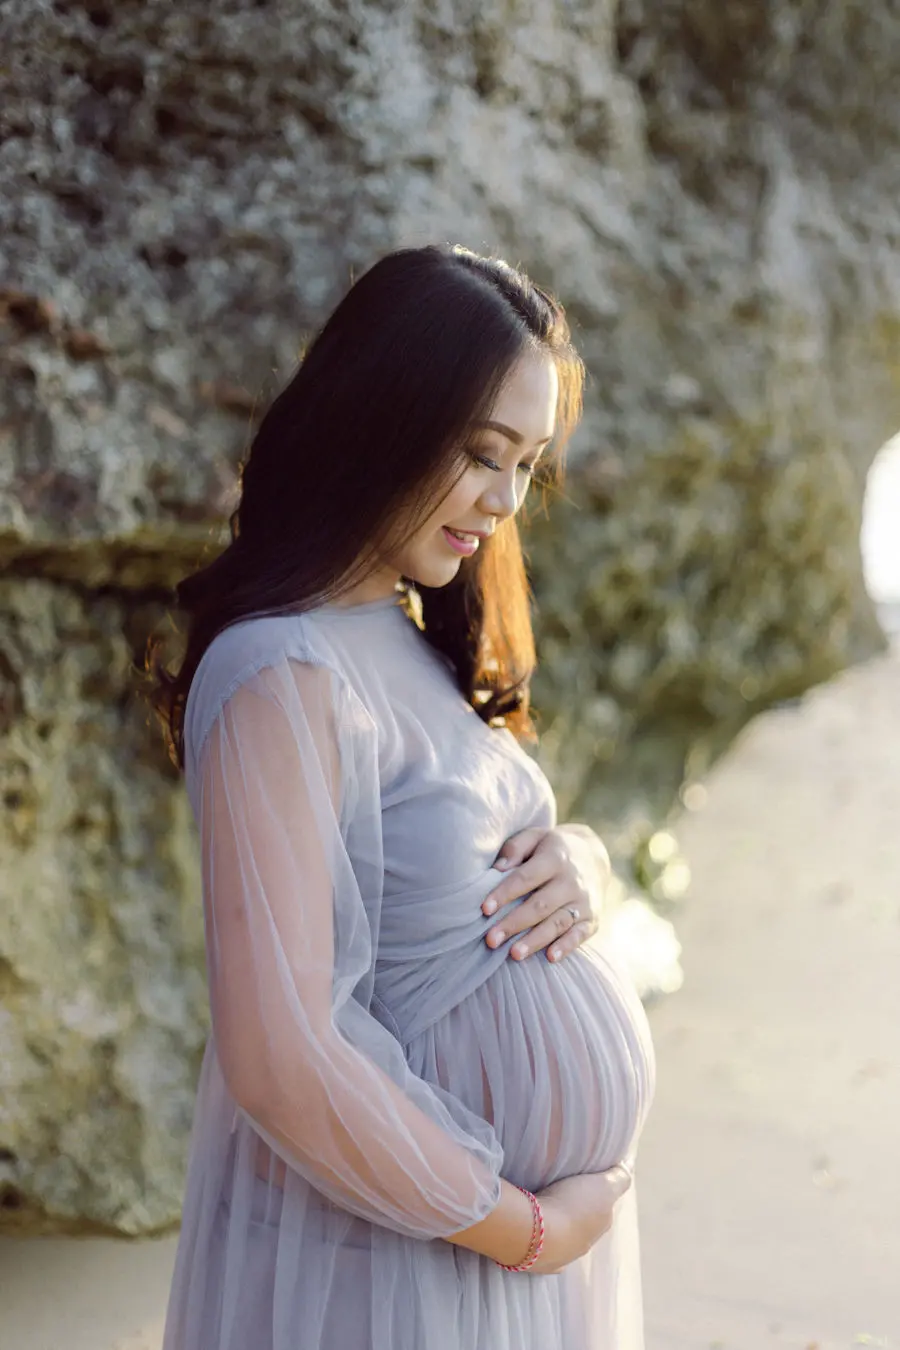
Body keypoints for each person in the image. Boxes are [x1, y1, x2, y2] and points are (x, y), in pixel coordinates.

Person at [148, 244, 655, 1350]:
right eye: (483, 454)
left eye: (528, 464)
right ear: (381, 416)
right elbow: (283, 1053)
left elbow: (454, 871)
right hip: (396, 1271)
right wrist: (517, 1225)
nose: (505, 499)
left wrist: (580, 862)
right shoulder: (281, 669)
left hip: (472, 1262)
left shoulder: (408, 633)